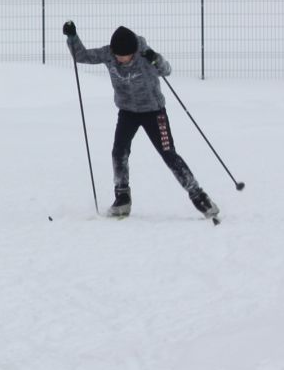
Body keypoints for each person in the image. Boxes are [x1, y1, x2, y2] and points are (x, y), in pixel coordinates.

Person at [63, 21, 218, 222]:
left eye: (123, 56)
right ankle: (122, 199)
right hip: (127, 112)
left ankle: (200, 197)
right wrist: (72, 37)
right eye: (117, 55)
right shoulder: (109, 54)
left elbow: (166, 70)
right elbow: (81, 56)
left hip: (154, 112)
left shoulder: (145, 56)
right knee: (119, 152)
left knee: (169, 154)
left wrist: (156, 59)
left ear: (134, 52)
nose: (119, 59)